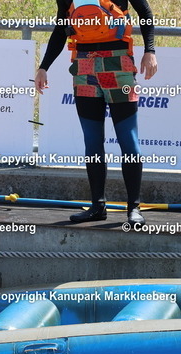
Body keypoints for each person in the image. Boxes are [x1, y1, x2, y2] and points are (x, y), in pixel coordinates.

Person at [35, 0, 157, 225]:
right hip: (83, 68)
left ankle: (134, 208)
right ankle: (97, 206)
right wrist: (44, 67)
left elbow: (145, 13)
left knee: (128, 140)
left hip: (119, 64)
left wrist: (150, 50)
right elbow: (61, 28)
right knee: (92, 141)